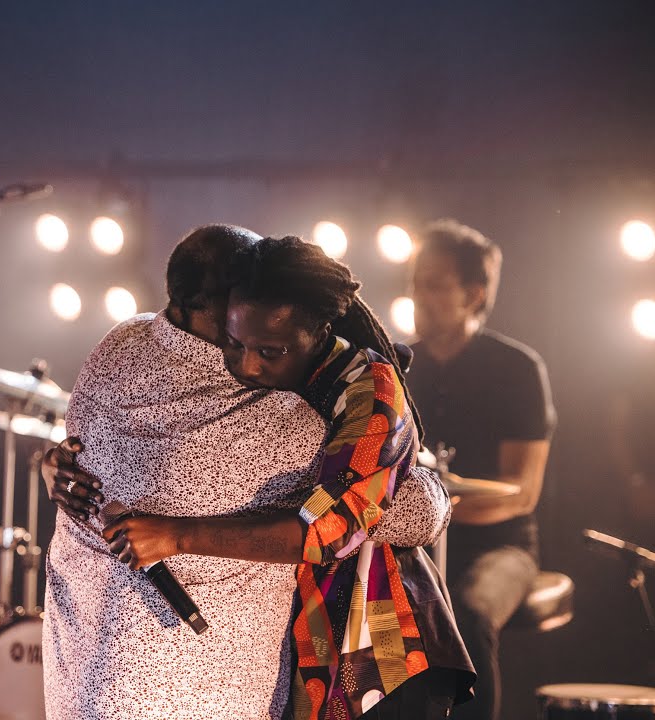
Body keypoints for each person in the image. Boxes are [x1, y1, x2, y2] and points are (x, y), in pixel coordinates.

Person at [40, 224, 455, 720]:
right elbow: (411, 510)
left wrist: (173, 534)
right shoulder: (276, 407)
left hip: (369, 638)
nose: (247, 365)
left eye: (267, 351)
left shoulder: (355, 400)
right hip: (246, 661)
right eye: (235, 342)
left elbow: (332, 528)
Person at [402, 218, 557, 720]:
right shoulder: (398, 367)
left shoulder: (518, 369)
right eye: (415, 283)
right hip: (413, 543)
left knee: (465, 613)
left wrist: (436, 514)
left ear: (473, 294)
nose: (418, 296)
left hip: (500, 545)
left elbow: (522, 493)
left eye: (433, 285)